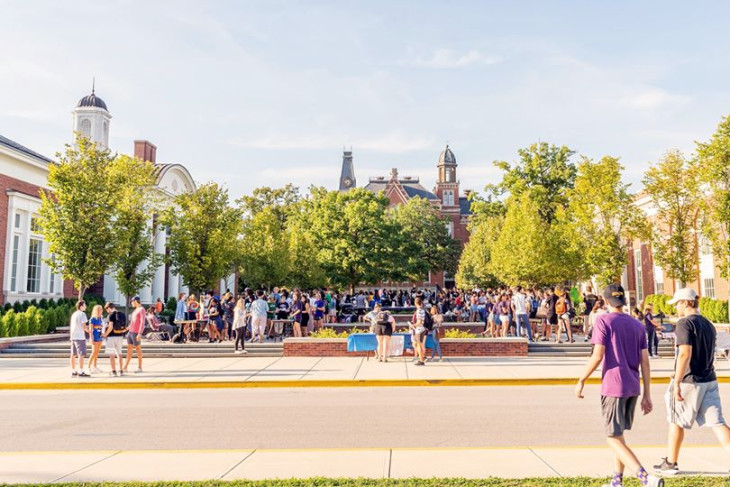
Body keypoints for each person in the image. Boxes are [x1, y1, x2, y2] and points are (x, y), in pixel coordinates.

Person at [575, 284, 663, 487]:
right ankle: (617, 481)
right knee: (619, 435)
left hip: (613, 386)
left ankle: (645, 478)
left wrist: (582, 380)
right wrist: (647, 394)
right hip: (633, 386)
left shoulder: (603, 321)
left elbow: (598, 355)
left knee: (612, 437)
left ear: (606, 301)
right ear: (622, 300)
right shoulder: (637, 325)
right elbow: (645, 361)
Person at [653, 288, 730, 476]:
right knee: (718, 423)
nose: (676, 307)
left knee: (676, 421)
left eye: (678, 303)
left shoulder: (684, 323)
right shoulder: (708, 324)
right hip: (709, 379)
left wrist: (677, 380)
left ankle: (671, 463)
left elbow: (685, 354)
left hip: (689, 380)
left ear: (687, 302)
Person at [103, 302, 127, 376]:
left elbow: (110, 327)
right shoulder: (123, 315)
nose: (107, 311)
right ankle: (121, 370)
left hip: (111, 337)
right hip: (120, 336)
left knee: (111, 355)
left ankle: (113, 371)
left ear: (109, 308)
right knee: (119, 354)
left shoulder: (111, 315)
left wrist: (104, 334)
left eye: (107, 310)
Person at [123, 296, 145, 374]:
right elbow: (132, 322)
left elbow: (142, 322)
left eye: (131, 302)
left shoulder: (142, 309)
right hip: (131, 332)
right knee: (129, 350)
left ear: (135, 301)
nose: (131, 303)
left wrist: (139, 333)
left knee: (138, 350)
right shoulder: (135, 310)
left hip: (136, 332)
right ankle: (125, 367)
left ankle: (140, 367)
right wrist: (126, 329)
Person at [69, 300, 90, 378]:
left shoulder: (74, 314)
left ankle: (73, 371)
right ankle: (80, 371)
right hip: (80, 337)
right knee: (81, 354)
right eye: (85, 305)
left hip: (73, 336)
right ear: (81, 306)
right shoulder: (82, 314)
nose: (86, 306)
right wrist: (89, 331)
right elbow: (84, 326)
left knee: (73, 354)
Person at [87, 304, 104, 374]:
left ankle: (95, 366)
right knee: (93, 352)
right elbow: (90, 329)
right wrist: (91, 338)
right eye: (100, 309)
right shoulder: (93, 318)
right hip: (94, 337)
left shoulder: (101, 318)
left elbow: (101, 326)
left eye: (102, 309)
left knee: (97, 353)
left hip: (100, 336)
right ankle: (88, 367)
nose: (102, 311)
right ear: (97, 310)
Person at [412, 297, 429, 366]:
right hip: (423, 329)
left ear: (415, 303)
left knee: (418, 345)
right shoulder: (423, 310)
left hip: (419, 329)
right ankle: (421, 358)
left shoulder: (418, 311)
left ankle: (421, 360)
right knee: (418, 344)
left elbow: (419, 322)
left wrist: (414, 325)